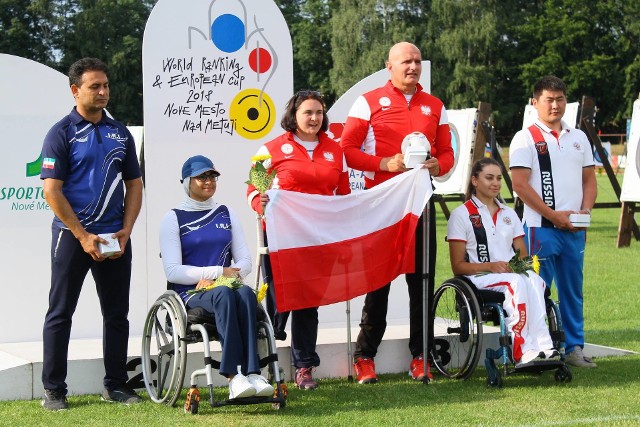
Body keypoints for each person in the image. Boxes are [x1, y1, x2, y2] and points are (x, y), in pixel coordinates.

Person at [340, 41, 454, 383]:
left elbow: (448, 155)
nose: (413, 67)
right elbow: (347, 149)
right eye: (406, 61)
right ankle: (365, 356)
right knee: (378, 281)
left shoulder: (435, 105)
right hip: (383, 205)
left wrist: (437, 165)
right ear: (389, 66)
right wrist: (383, 163)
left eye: (417, 61)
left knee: (422, 280)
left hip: (420, 202)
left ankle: (421, 356)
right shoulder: (369, 102)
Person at [40, 58, 144, 410]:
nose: (103, 92)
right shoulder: (61, 132)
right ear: (75, 90)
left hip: (115, 236)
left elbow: (134, 184)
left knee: (117, 314)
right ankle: (54, 390)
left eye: (106, 86)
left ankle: (115, 384)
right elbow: (52, 191)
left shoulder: (121, 133)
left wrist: (126, 230)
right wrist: (83, 235)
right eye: (94, 87)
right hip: (73, 236)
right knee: (60, 312)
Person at [246, 90, 350, 390]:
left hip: (318, 238)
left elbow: (342, 195)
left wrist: (343, 230)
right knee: (279, 296)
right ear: (294, 115)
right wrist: (259, 201)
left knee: (308, 302)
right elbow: (253, 189)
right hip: (281, 235)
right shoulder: (270, 148)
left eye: (319, 112)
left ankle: (304, 367)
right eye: (308, 112)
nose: (314, 118)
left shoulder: (336, 151)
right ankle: (268, 347)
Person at [160, 155, 274, 400]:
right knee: (224, 294)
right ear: (187, 181)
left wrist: (224, 278)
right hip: (190, 293)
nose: (208, 181)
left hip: (224, 287)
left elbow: (244, 262)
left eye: (212, 176)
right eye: (201, 177)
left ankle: (253, 373)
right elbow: (172, 271)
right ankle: (234, 377)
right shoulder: (173, 218)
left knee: (244, 293)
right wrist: (216, 273)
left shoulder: (227, 213)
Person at [509, 75, 597, 368]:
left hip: (574, 231)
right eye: (549, 99)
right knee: (534, 290)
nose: (555, 105)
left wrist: (585, 211)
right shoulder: (525, 137)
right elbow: (520, 185)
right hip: (539, 230)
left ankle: (574, 349)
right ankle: (533, 348)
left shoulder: (579, 137)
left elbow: (589, 180)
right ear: (535, 103)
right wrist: (553, 216)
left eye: (560, 99)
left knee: (573, 291)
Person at [447, 158, 559, 366]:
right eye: (489, 178)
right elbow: (457, 266)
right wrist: (490, 266)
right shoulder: (461, 215)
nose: (495, 183)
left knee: (535, 280)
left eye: (498, 178)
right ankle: (522, 349)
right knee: (515, 283)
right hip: (478, 278)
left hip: (509, 275)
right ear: (474, 180)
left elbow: (523, 257)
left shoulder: (509, 214)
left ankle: (545, 346)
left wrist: (521, 266)